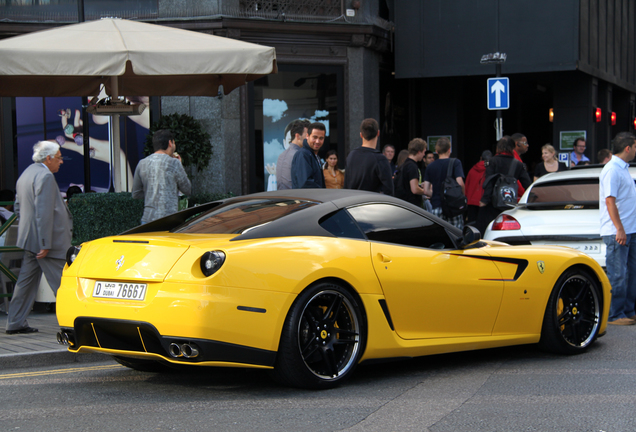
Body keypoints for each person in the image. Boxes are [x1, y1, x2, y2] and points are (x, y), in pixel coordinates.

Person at [6, 141, 72, 335]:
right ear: (48, 158)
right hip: (48, 244)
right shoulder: (45, 176)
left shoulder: (26, 174)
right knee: (63, 284)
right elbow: (44, 213)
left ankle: (15, 322)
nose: (61, 162)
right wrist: (44, 243)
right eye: (59, 158)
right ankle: (72, 324)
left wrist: (31, 232)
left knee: (25, 283)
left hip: (30, 240)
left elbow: (18, 208)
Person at [599, 132, 636, 325]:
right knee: (618, 273)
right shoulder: (612, 169)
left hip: (630, 229)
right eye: (635, 146)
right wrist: (619, 228)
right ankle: (615, 315)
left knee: (631, 273)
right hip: (618, 232)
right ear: (628, 148)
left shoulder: (623, 169)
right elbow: (609, 201)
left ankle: (628, 311)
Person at [132, 129, 191, 224]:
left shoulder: (142, 163)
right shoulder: (174, 163)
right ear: (170, 143)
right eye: (174, 142)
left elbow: (136, 194)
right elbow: (187, 189)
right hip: (170, 219)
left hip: (147, 219)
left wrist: (151, 194)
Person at [476, 136, 532, 235]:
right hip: (510, 204)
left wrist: (484, 201)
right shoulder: (518, 164)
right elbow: (527, 184)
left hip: (492, 205)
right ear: (512, 148)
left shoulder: (492, 162)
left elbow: (489, 183)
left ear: (498, 147)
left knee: (489, 231)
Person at [422, 137, 465, 228]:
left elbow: (426, 190)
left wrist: (437, 196)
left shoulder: (430, 166)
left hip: (437, 207)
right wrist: (461, 197)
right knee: (455, 237)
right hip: (453, 208)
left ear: (436, 151)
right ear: (449, 150)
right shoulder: (456, 163)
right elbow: (460, 183)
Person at [344, 118, 393, 195]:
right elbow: (389, 191)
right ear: (378, 133)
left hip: (352, 204)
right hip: (371, 205)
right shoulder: (380, 159)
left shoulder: (351, 156)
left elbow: (346, 186)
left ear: (361, 135)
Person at [276, 119, 309, 190]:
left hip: (282, 198)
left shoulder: (281, 155)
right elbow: (304, 185)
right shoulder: (299, 154)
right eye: (306, 135)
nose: (308, 138)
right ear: (297, 136)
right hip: (296, 199)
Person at [291, 122, 326, 189]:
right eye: (315, 137)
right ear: (307, 136)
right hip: (308, 198)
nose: (317, 141)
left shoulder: (313, 155)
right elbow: (305, 184)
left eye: (321, 138)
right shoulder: (303, 154)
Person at [394, 138, 427, 207]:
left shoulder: (404, 165)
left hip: (403, 204)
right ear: (419, 152)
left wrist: (420, 186)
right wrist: (426, 191)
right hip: (411, 206)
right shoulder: (413, 166)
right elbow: (414, 189)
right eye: (424, 152)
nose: (424, 154)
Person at [465, 150, 491, 225]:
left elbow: (466, 187)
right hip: (484, 203)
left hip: (471, 202)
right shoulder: (490, 170)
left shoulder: (472, 170)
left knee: (472, 226)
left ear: (480, 158)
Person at [511, 133, 529, 197]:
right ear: (517, 143)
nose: (527, 145)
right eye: (525, 143)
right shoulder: (513, 159)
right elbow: (516, 181)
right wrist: (525, 195)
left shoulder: (516, 158)